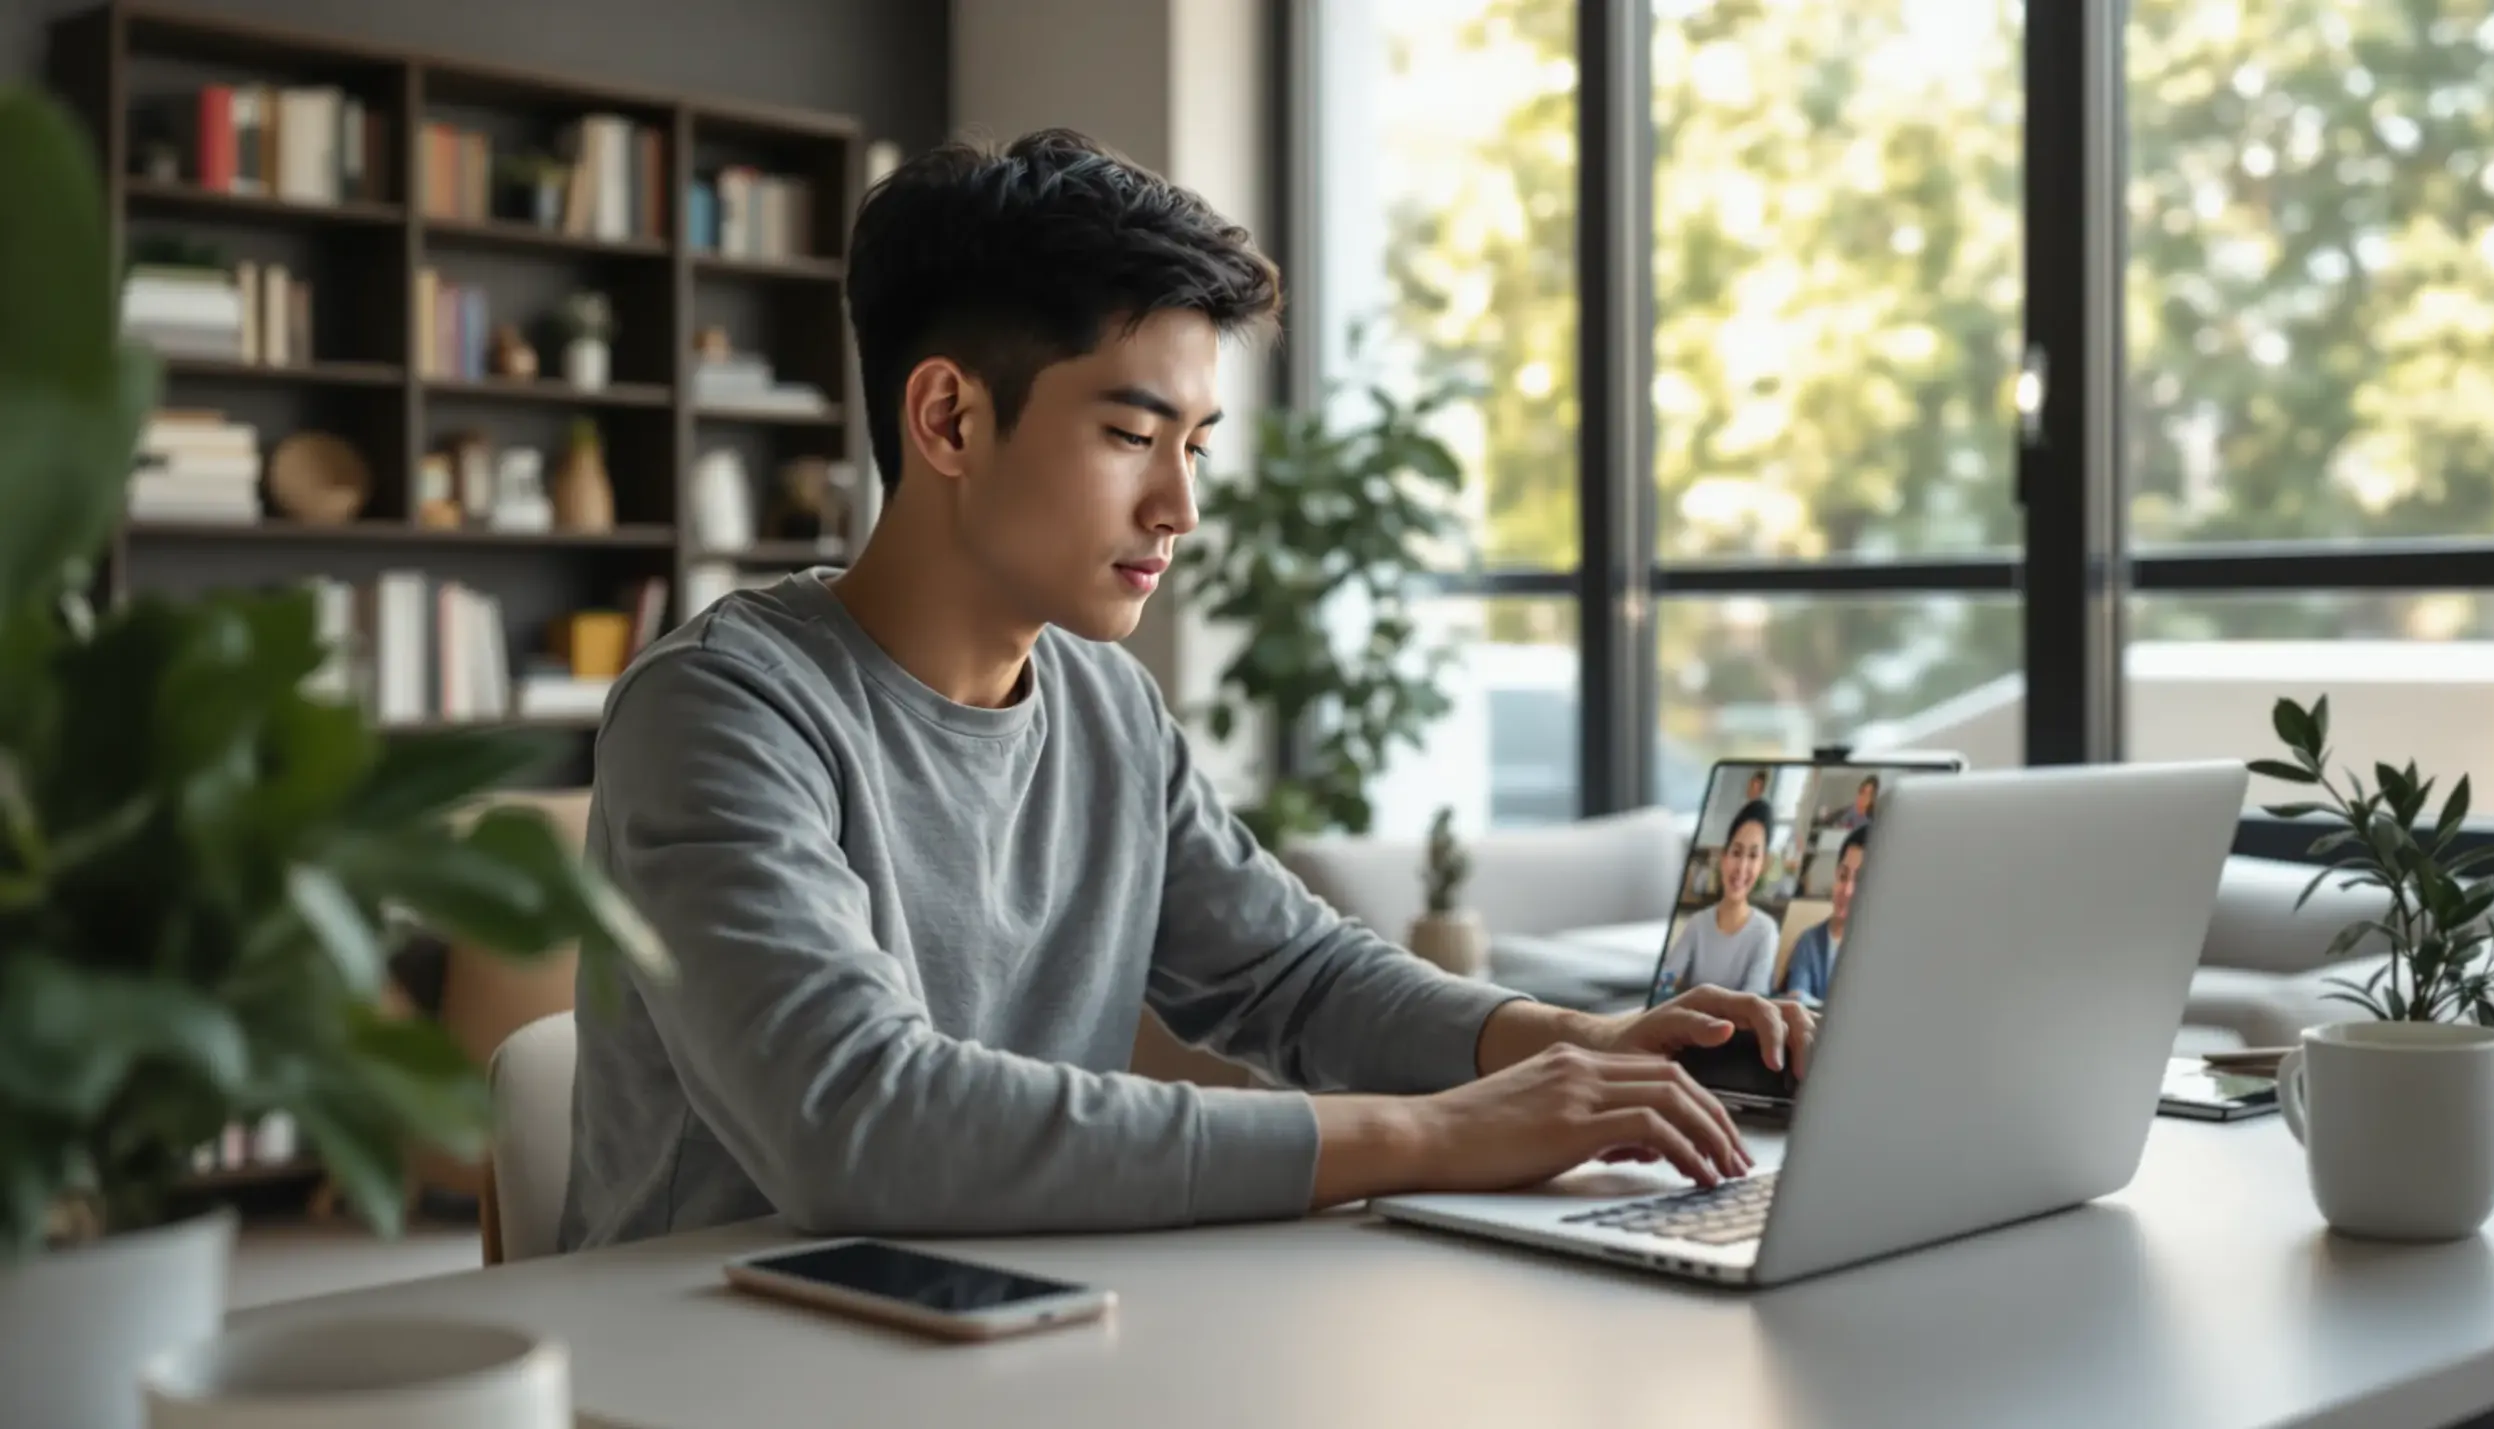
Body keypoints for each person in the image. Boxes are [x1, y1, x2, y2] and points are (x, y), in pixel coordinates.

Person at [558, 131, 1813, 1252]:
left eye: (1195, 445)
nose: (1181, 507)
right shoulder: (721, 710)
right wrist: (1438, 1135)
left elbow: (1297, 977)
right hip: (719, 1357)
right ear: (946, 418)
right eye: (1129, 435)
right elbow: (860, 1122)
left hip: (1014, 1324)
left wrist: (1580, 1046)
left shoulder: (1105, 707)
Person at [1651, 800, 1781, 1001]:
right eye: (1736, 852)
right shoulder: (1697, 923)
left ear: (1762, 865)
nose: (1741, 867)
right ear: (1724, 857)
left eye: (1753, 856)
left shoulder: (1766, 931)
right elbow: (1666, 980)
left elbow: (1753, 1002)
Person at [1780, 826, 1866, 1004]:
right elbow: (1796, 1000)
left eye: (1859, 880)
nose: (1847, 890)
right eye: (1843, 876)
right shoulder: (1809, 941)